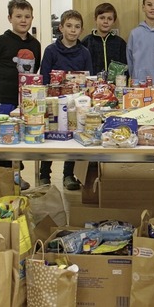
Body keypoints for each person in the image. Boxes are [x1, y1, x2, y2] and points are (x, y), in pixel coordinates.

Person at [39, 10, 93, 190]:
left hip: (74, 105)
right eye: (69, 26)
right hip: (53, 103)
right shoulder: (51, 50)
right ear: (61, 27)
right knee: (49, 138)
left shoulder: (84, 52)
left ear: (82, 30)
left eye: (77, 27)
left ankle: (68, 174)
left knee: (72, 137)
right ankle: (44, 174)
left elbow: (88, 79)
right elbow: (44, 78)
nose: (73, 30)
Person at [0, 0, 41, 115]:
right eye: (18, 16)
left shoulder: (35, 44)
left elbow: (35, 68)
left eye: (27, 17)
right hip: (3, 100)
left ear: (32, 19)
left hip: (28, 99)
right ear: (9, 18)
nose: (23, 20)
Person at [80, 2, 127, 76]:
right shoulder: (86, 42)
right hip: (92, 85)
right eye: (102, 18)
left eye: (109, 19)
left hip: (115, 86)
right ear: (95, 19)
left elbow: (125, 68)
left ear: (114, 21)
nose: (105, 21)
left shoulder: (120, 43)